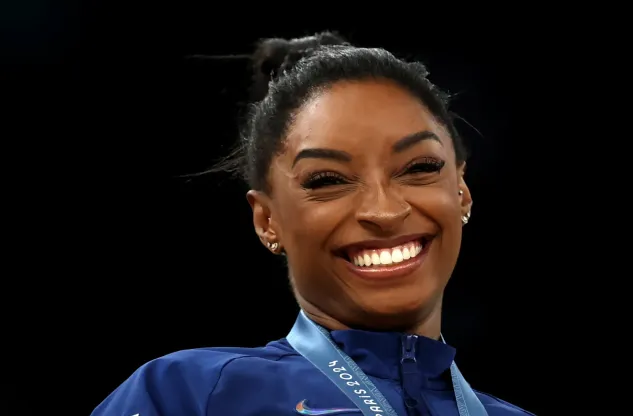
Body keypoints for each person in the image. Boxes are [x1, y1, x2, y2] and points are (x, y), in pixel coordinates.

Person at [92, 32, 533, 416]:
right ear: (268, 221)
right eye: (328, 180)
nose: (384, 211)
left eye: (418, 168)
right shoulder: (187, 395)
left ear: (462, 191)